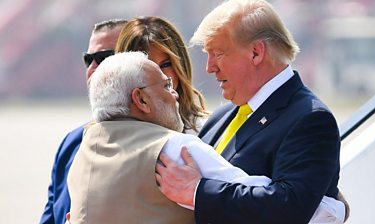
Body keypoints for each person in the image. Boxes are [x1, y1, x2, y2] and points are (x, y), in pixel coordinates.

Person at [67, 51, 344, 224]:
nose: (174, 93)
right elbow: (272, 206)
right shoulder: (175, 149)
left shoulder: (84, 154)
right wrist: (334, 207)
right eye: (165, 85)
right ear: (140, 100)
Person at [155, 0, 349, 223]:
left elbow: (290, 207)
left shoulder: (311, 119)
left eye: (217, 53)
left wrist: (198, 191)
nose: (209, 67)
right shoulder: (221, 116)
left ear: (256, 53)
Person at [39, 18, 128, 224]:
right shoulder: (72, 143)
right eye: (89, 60)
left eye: (105, 58)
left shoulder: (166, 143)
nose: (93, 69)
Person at [114, 16, 208, 134]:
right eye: (148, 67)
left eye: (166, 64)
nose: (160, 76)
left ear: (181, 66)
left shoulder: (206, 132)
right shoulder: (103, 137)